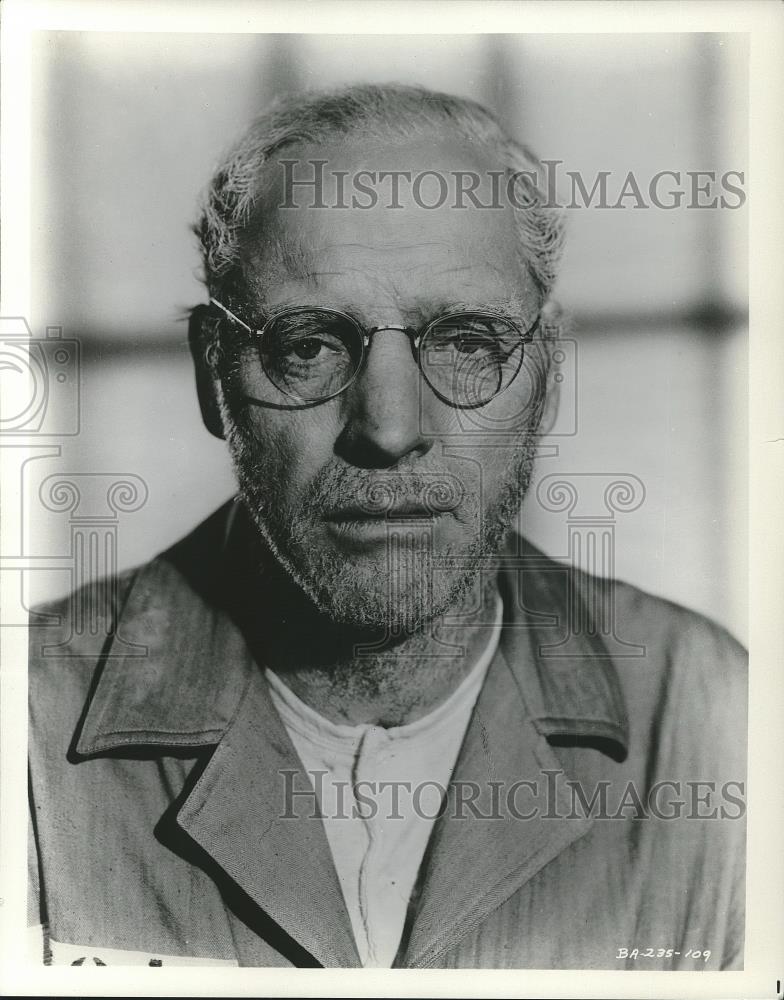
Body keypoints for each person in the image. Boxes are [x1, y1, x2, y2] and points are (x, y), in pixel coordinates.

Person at [27, 84, 747, 970]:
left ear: (548, 379)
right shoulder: (26, 727)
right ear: (212, 377)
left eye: (466, 341)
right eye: (309, 345)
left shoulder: (712, 711)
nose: (392, 428)